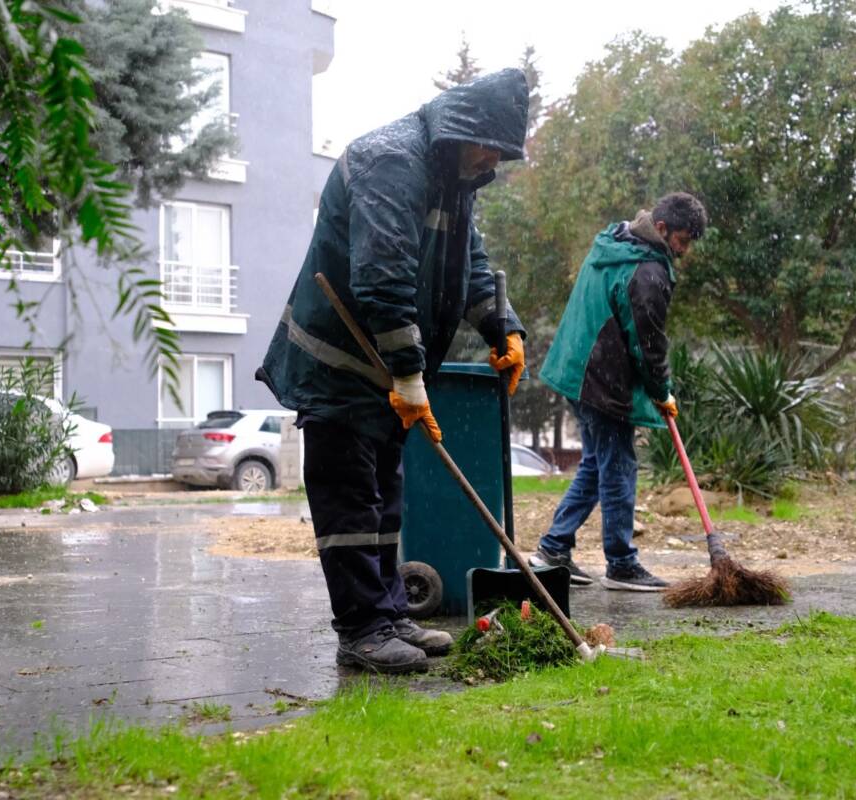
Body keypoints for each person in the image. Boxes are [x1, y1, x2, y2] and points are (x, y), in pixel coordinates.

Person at [257, 69, 530, 673]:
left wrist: (503, 327)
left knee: (385, 498)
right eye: (491, 146)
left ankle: (385, 614)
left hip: (385, 368)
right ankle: (360, 630)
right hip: (341, 361)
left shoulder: (452, 178)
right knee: (350, 499)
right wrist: (410, 376)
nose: (493, 160)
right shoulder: (392, 161)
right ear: (463, 129)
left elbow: (469, 263)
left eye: (503, 154)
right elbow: (381, 278)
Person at [530, 192, 708, 590]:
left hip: (576, 370)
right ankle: (621, 563)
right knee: (619, 468)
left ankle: (553, 548)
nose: (685, 248)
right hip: (601, 381)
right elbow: (648, 343)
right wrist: (662, 391)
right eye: (682, 239)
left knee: (597, 464)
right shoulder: (646, 271)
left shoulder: (614, 243)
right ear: (661, 228)